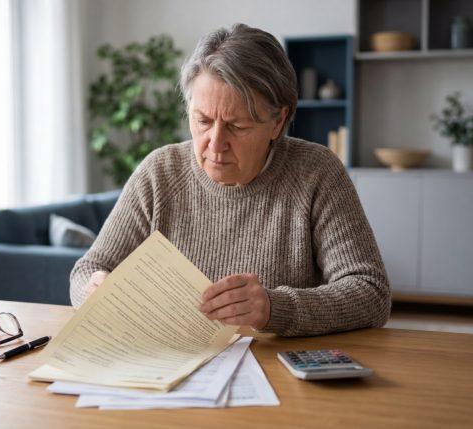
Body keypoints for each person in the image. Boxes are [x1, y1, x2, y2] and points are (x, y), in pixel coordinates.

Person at [70, 23, 390, 337]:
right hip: (171, 365)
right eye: (203, 121)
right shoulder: (159, 172)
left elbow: (371, 293)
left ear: (278, 121)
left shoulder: (317, 172)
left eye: (237, 127)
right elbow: (87, 269)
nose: (215, 142)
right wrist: (93, 290)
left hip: (275, 370)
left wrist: (274, 308)